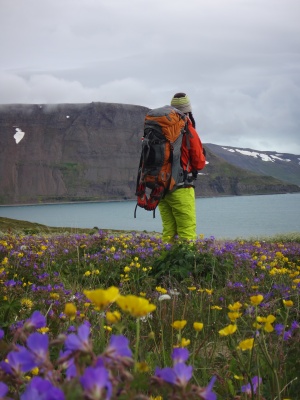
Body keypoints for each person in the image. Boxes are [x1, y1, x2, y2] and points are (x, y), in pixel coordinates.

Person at [158, 92, 206, 242]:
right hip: (180, 187)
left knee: (169, 232)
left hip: (160, 188)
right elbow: (199, 163)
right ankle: (187, 265)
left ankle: (166, 264)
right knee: (187, 234)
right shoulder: (188, 130)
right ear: (188, 111)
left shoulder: (159, 129)